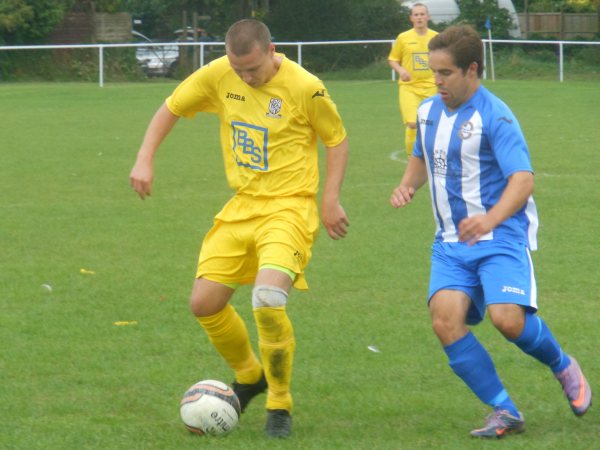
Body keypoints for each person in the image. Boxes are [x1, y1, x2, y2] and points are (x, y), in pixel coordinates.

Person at [129, 18, 350, 438]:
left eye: (252, 68)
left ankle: (279, 402)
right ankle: (250, 376)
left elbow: (336, 140)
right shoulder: (220, 73)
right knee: (204, 303)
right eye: (238, 69)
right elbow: (172, 106)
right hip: (241, 207)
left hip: (289, 209)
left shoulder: (306, 87)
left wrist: (330, 199)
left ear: (272, 51)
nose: (245, 77)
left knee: (267, 299)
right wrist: (145, 157)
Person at [389, 25, 591, 438]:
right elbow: (421, 157)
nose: (436, 81)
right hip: (449, 243)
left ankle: (563, 365)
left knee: (508, 321)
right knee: (445, 322)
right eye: (433, 71)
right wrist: (407, 185)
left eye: (445, 73)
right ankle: (504, 410)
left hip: (499, 238)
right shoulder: (427, 112)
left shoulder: (495, 116)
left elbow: (522, 180)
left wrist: (490, 219)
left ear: (472, 70)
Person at [388, 3, 437, 156]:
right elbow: (393, 59)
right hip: (409, 88)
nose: (419, 17)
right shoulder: (403, 38)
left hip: (432, 87)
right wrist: (401, 70)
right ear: (411, 18)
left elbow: (444, 59)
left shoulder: (436, 38)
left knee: (433, 125)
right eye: (416, 15)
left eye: (422, 14)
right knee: (412, 123)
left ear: (428, 17)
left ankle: (434, 156)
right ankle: (412, 159)